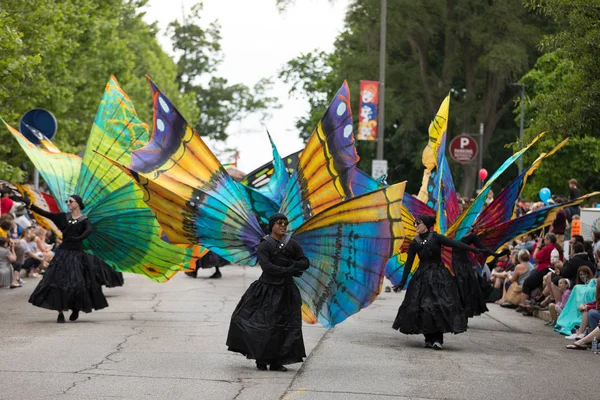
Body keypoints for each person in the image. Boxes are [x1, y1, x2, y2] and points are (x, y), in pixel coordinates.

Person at [226, 213, 309, 371]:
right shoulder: (264, 245)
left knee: (285, 326)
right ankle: (261, 359)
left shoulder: (292, 244)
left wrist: (292, 264)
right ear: (272, 226)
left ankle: (278, 361)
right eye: (279, 223)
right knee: (264, 325)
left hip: (287, 291)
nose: (283, 226)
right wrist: (290, 269)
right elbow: (268, 267)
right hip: (267, 290)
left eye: (285, 223)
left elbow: (305, 261)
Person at [392, 215, 487, 350]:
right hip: (422, 278)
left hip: (440, 277)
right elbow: (409, 264)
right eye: (415, 223)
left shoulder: (436, 237)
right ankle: (428, 338)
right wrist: (402, 282)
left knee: (439, 305)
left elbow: (456, 244)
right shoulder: (415, 243)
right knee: (424, 307)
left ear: (426, 224)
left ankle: (437, 339)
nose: (416, 225)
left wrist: (474, 250)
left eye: (418, 223)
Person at [23, 193, 108, 323]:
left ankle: (75, 308)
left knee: (77, 283)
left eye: (71, 201)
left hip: (77, 254)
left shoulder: (84, 220)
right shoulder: (62, 217)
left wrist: (80, 238)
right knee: (57, 281)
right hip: (63, 253)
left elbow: (89, 229)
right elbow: (45, 213)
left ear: (78, 204)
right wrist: (30, 205)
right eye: (67, 201)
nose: (68, 204)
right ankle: (60, 312)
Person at [451, 228, 491, 318]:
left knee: (465, 289)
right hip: (452, 264)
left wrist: (494, 254)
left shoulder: (472, 236)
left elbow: (482, 247)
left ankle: (463, 315)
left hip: (464, 265)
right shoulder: (454, 231)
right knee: (454, 289)